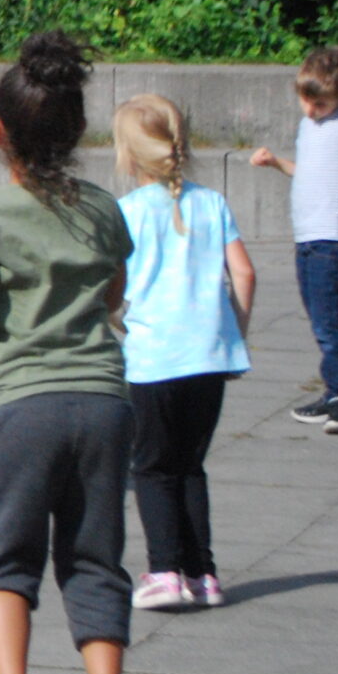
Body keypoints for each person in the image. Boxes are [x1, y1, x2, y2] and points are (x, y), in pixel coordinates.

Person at [0, 32, 139, 674]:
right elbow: (115, 296)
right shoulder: (104, 209)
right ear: (77, 131)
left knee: (6, 560)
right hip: (105, 401)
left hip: (22, 404)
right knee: (95, 559)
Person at [117, 95, 253, 610]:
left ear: (128, 156)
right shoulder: (212, 203)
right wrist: (232, 333)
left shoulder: (127, 212)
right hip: (208, 356)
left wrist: (117, 321)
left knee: (151, 467)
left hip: (154, 358)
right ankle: (204, 574)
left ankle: (165, 569)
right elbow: (244, 272)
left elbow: (114, 286)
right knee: (191, 466)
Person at [247, 46, 338, 430]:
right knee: (320, 318)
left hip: (331, 237)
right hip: (307, 236)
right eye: (305, 100)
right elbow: (307, 172)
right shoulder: (311, 127)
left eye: (319, 103)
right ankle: (334, 390)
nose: (310, 109)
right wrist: (276, 164)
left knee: (327, 322)